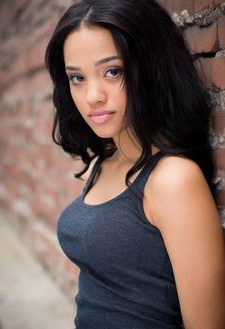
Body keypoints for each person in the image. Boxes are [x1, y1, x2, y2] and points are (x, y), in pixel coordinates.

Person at [45, 0, 225, 328]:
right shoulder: (106, 161)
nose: (92, 95)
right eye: (77, 78)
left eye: (112, 71)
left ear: (150, 68)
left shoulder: (173, 180)